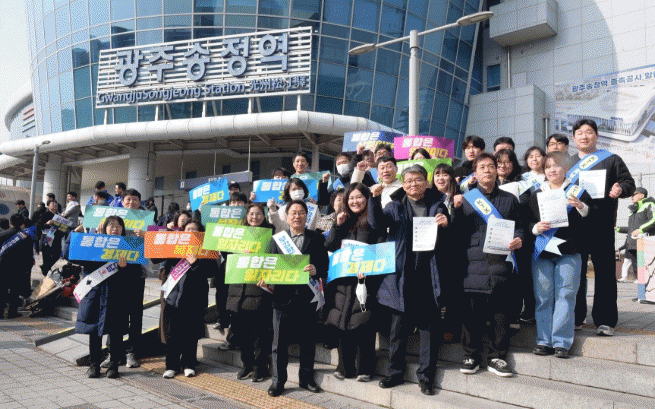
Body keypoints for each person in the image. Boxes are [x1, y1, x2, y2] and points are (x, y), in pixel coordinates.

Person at [369, 165, 450, 395]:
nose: (413, 184)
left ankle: (426, 377)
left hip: (429, 274)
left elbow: (448, 239)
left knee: (428, 329)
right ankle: (395, 373)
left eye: (418, 180)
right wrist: (374, 200)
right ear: (403, 185)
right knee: (398, 329)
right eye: (408, 181)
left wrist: (446, 225)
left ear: (426, 182)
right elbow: (376, 224)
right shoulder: (394, 206)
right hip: (401, 275)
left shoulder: (438, 205)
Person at [458, 153, 523, 378]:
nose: (487, 170)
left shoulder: (509, 199)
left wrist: (519, 238)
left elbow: (519, 226)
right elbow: (457, 232)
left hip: (500, 262)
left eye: (491, 166)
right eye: (482, 167)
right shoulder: (466, 200)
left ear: (497, 170)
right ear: (475, 174)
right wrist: (454, 209)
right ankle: (471, 355)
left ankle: (497, 357)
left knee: (500, 312)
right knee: (471, 312)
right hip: (472, 262)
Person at [570, 119, 635, 336]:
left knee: (605, 274)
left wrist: (620, 189)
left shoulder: (611, 159)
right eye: (579, 133)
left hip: (603, 226)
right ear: (574, 138)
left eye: (589, 132)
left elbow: (629, 183)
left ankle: (605, 321)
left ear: (597, 136)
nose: (584, 136)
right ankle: (576, 317)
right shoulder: (569, 163)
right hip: (575, 227)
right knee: (575, 274)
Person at [529, 152, 593, 359]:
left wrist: (581, 206)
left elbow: (591, 216)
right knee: (543, 297)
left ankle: (561, 342)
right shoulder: (536, 194)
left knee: (565, 296)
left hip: (570, 251)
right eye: (547, 167)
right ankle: (543, 341)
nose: (552, 170)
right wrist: (535, 228)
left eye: (556, 166)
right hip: (543, 252)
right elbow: (526, 221)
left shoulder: (577, 192)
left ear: (565, 169)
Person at [266, 200, 329, 397]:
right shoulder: (277, 239)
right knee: (279, 344)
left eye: (301, 212)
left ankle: (306, 379)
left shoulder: (316, 238)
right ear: (286, 217)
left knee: (307, 341)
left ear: (306, 216)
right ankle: (278, 381)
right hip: (282, 298)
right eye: (293, 212)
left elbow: (325, 265)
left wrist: (316, 269)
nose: (297, 216)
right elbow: (269, 266)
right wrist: (265, 279)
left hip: (307, 298)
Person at [324, 183, 385, 382]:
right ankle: (344, 367)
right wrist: (337, 225)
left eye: (359, 197)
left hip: (365, 281)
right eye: (351, 198)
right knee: (343, 324)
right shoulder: (343, 221)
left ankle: (365, 369)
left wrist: (370, 272)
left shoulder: (373, 221)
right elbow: (330, 245)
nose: (355, 201)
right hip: (343, 282)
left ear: (366, 199)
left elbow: (381, 245)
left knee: (364, 324)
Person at [75, 216, 142, 378]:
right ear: (104, 228)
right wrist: (75, 235)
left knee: (116, 332)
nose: (115, 228)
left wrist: (125, 268)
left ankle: (113, 366)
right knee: (94, 332)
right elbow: (72, 255)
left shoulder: (129, 247)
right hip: (95, 296)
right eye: (111, 225)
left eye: (119, 226)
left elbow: (136, 273)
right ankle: (94, 365)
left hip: (118, 296)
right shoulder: (94, 243)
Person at [159, 219, 214, 378]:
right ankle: (171, 365)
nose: (191, 232)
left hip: (195, 299)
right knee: (173, 334)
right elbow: (157, 257)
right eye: (188, 229)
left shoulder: (206, 248)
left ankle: (189, 364)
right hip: (173, 297)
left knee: (191, 334)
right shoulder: (175, 246)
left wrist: (196, 263)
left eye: (194, 229)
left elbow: (212, 271)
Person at [226, 203, 273, 382]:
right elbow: (226, 254)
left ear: (264, 216)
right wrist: (240, 252)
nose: (255, 217)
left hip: (259, 289)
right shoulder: (238, 235)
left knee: (260, 334)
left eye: (258, 214)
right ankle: (246, 365)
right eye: (251, 214)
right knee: (242, 333)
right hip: (238, 290)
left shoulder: (270, 234)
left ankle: (260, 368)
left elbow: (274, 259)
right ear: (246, 216)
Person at [616, 188, 655, 282]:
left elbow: (653, 220)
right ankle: (641, 289)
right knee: (638, 273)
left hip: (645, 243)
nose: (631, 197)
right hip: (633, 245)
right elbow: (631, 229)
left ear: (642, 195)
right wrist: (617, 228)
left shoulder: (649, 205)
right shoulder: (633, 210)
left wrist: (640, 230)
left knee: (647, 272)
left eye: (634, 194)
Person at [0, 214, 32, 318]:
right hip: (18, 267)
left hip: (3, 266)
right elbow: (29, 255)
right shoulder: (26, 237)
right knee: (15, 290)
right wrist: (27, 268)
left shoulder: (2, 234)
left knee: (2, 289)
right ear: (22, 223)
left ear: (10, 222)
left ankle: (0, 312)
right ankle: (12, 312)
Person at [38, 200, 64, 276]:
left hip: (57, 238)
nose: (55, 206)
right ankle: (45, 272)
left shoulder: (59, 216)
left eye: (56, 204)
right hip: (47, 238)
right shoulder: (44, 215)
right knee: (46, 256)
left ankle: (45, 267)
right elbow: (39, 225)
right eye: (53, 204)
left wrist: (61, 229)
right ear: (48, 206)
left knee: (57, 255)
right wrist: (47, 223)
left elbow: (64, 228)